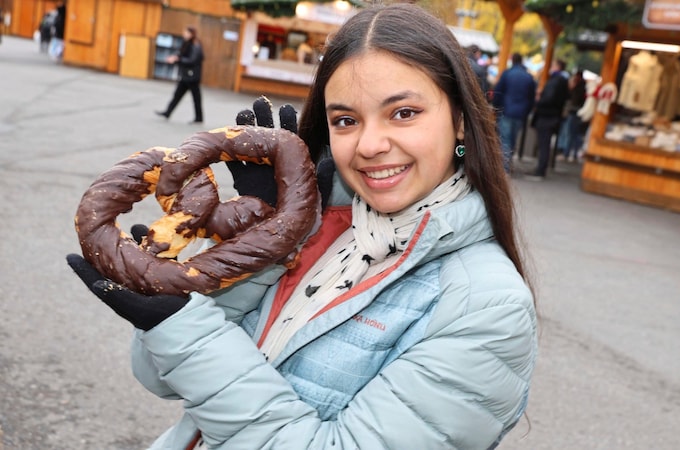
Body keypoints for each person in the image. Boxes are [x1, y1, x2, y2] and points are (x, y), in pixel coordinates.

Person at [67, 3, 537, 449]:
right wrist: (263, 245)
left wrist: (183, 328)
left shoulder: (488, 308)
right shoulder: (310, 226)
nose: (370, 144)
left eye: (404, 113)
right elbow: (158, 376)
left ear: (459, 119)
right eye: (346, 120)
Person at [492, 52, 537, 172]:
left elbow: (498, 92)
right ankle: (508, 163)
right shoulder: (528, 77)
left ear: (512, 60)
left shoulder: (507, 74)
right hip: (520, 113)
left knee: (505, 139)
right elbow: (531, 98)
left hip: (506, 110)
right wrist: (526, 111)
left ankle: (504, 168)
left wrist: (496, 107)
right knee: (512, 139)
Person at [530, 59, 569, 180]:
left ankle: (540, 170)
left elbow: (549, 99)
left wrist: (538, 101)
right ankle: (541, 168)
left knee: (544, 144)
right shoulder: (562, 81)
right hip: (553, 116)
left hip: (547, 116)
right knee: (544, 144)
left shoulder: (555, 81)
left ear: (557, 66)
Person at [155, 26, 204, 123]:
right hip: (186, 75)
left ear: (191, 34)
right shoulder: (187, 44)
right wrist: (175, 57)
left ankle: (199, 118)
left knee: (196, 98)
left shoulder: (195, 45)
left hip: (192, 76)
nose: (184, 34)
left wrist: (178, 59)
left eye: (186, 32)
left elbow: (192, 60)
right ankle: (168, 112)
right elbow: (181, 54)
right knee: (177, 95)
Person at [557, 70, 588, 162]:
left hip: (574, 112)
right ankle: (572, 153)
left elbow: (574, 99)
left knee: (570, 134)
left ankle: (567, 153)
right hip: (576, 113)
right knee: (574, 134)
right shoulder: (582, 87)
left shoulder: (579, 88)